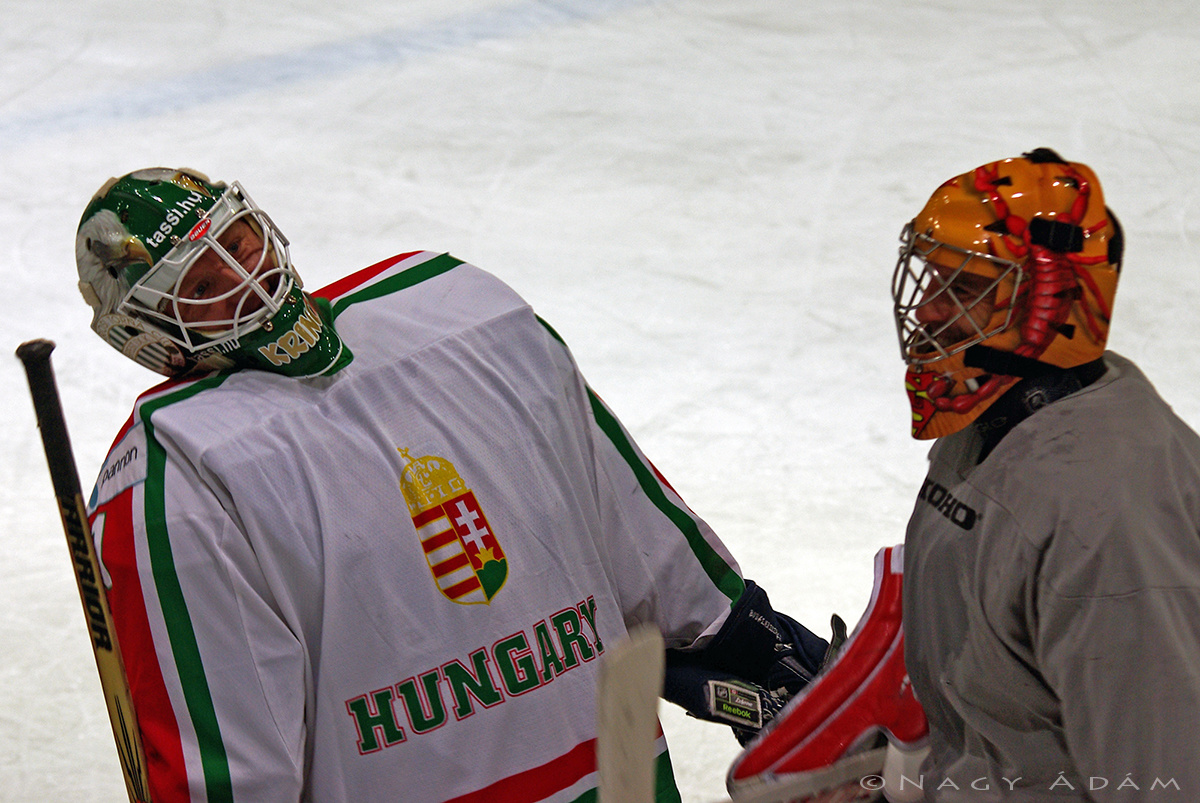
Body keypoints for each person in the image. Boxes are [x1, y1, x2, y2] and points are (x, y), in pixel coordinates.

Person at [74, 167, 831, 802]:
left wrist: (748, 647)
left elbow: (626, 519)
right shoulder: (176, 478)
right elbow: (234, 767)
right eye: (203, 281)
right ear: (146, 332)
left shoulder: (462, 311)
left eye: (239, 245)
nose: (248, 277)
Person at [888, 149, 1200, 799]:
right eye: (934, 279)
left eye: (968, 288)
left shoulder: (1110, 524)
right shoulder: (994, 416)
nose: (928, 313)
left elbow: (1159, 779)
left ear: (1049, 305)